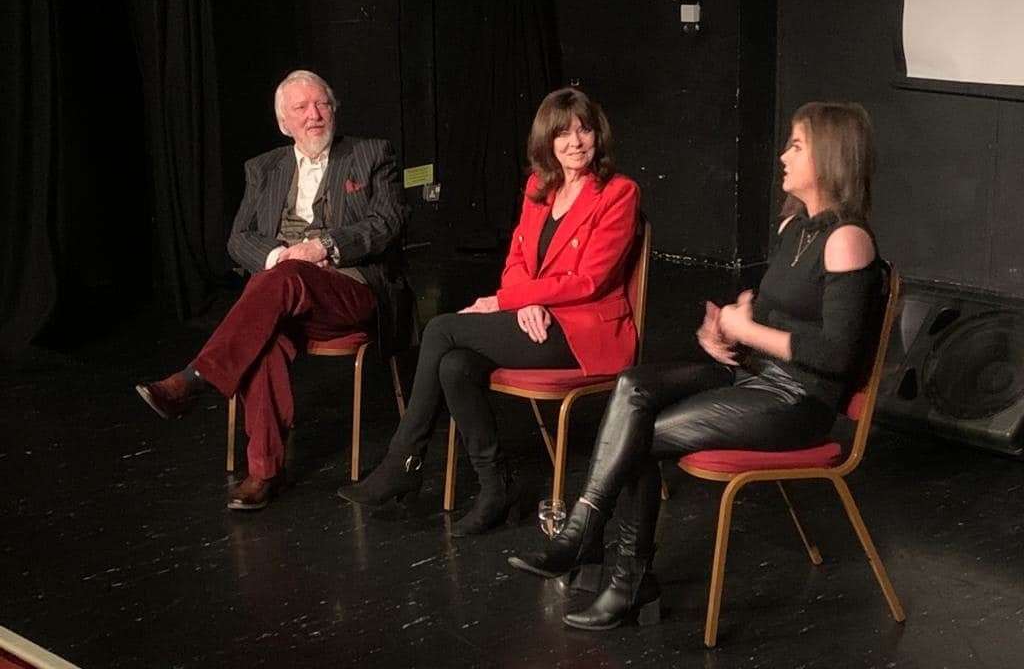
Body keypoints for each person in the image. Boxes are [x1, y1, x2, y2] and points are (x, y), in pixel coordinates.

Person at [508, 101, 885, 631]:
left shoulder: (848, 241)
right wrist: (725, 336)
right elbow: (775, 327)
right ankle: (593, 546)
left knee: (642, 433)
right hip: (756, 377)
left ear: (831, 154)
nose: (783, 155)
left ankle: (613, 567)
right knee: (634, 388)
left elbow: (837, 356)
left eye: (795, 145)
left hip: (798, 403)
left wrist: (747, 329)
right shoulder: (794, 228)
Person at [338, 87, 641, 537]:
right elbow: (517, 260)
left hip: (585, 331)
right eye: (563, 133)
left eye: (584, 130)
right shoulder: (540, 188)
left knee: (442, 329)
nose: (575, 142)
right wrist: (528, 298)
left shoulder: (618, 193)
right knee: (457, 366)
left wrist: (507, 300)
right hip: (540, 316)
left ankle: (404, 459)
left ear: (599, 135)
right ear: (547, 141)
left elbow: (589, 281)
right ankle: (495, 486)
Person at [135, 70, 411, 511]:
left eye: (321, 104)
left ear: (334, 109)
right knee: (265, 334)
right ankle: (264, 471)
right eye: (301, 109)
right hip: (282, 292)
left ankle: (196, 378)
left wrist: (322, 246)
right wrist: (281, 255)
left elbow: (387, 223)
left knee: (277, 284)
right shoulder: (263, 169)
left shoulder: (372, 154)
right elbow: (239, 237)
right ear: (284, 123)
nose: (314, 115)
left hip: (350, 289)